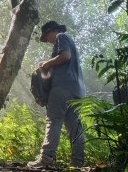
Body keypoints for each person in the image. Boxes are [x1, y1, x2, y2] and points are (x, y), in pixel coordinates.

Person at [27, 21, 86, 169]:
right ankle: (77, 163)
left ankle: (45, 159)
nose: (47, 40)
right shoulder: (68, 40)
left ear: (51, 31)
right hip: (76, 91)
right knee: (75, 127)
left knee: (54, 120)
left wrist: (46, 64)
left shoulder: (61, 36)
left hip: (62, 88)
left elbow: (65, 56)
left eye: (46, 36)